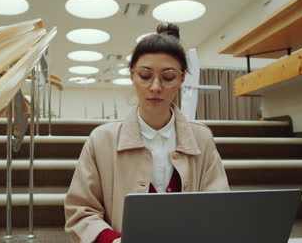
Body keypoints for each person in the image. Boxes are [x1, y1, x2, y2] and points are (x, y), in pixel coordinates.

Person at [64, 23, 230, 243]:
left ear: (182, 79)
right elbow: (81, 210)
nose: (155, 87)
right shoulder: (101, 139)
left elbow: (218, 206)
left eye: (168, 77)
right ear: (132, 76)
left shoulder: (202, 138)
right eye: (145, 75)